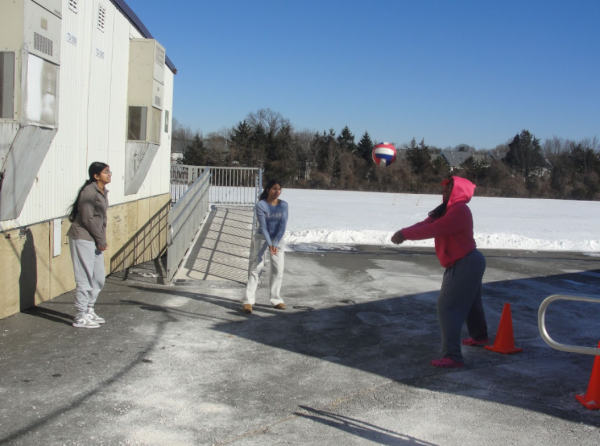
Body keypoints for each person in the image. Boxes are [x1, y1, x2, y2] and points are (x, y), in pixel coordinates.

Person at [391, 176, 488, 368]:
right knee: (471, 304)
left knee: (447, 308)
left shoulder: (460, 210)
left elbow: (434, 229)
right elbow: (425, 224)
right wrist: (404, 232)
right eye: (446, 187)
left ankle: (453, 357)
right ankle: (480, 337)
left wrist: (405, 235)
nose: (446, 190)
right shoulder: (445, 210)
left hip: (465, 263)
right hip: (469, 262)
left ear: (460, 191)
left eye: (451, 187)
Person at [66, 162, 111, 328]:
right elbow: (87, 219)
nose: (110, 174)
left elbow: (102, 220)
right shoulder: (89, 191)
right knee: (84, 277)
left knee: (98, 276)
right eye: (106, 172)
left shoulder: (102, 192)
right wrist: (100, 239)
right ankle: (80, 315)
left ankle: (89, 309)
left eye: (109, 171)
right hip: (83, 237)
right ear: (96, 176)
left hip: (95, 239)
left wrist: (101, 239)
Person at [242, 180, 288, 314]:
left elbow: (282, 226)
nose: (277, 192)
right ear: (267, 190)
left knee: (278, 269)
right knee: (257, 268)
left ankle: (276, 299)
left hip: (277, 240)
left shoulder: (284, 205)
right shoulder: (261, 205)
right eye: (274, 189)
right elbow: (263, 227)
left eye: (279, 189)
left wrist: (276, 243)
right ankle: (248, 301)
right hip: (262, 238)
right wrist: (269, 244)